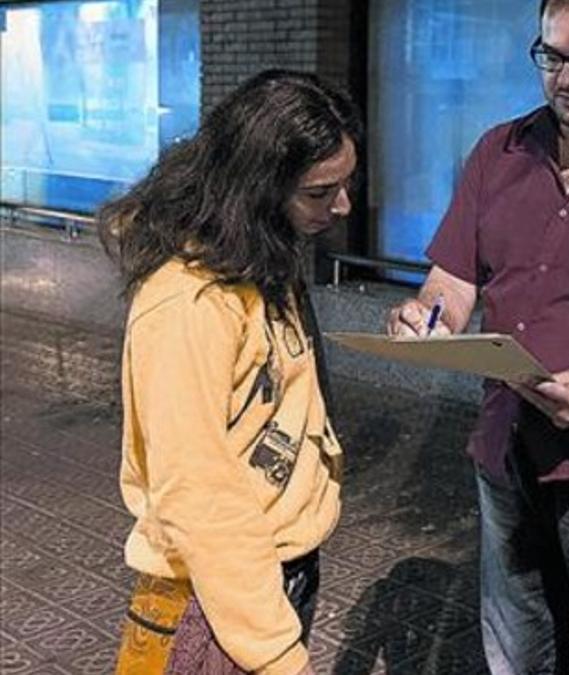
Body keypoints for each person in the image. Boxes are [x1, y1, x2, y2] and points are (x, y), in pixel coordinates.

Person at [386, 1, 569, 672]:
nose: (566, 79)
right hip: (506, 447)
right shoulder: (501, 150)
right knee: (518, 654)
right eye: (551, 57)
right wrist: (426, 317)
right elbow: (451, 281)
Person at [100, 69, 361, 675]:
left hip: (271, 573)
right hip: (210, 596)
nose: (342, 207)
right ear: (256, 188)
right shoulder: (187, 304)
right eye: (320, 192)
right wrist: (277, 653)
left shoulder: (260, 256)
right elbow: (198, 492)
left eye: (347, 184)